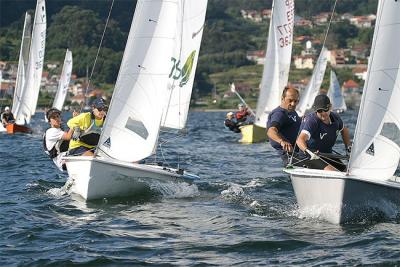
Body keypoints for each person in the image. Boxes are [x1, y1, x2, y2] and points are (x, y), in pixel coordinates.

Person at [296, 94, 351, 171]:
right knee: (333, 172)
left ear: (330, 107)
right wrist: (308, 151)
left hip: (326, 155)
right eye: (319, 111)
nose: (323, 113)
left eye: (325, 109)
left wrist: (348, 147)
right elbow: (300, 140)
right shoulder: (312, 121)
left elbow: (344, 130)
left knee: (347, 170)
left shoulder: (336, 118)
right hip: (310, 157)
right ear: (316, 110)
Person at [267, 87, 301, 165]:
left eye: (296, 101)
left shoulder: (291, 111)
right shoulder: (279, 114)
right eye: (290, 100)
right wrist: (282, 141)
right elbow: (271, 131)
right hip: (290, 155)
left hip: (300, 151)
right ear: (283, 98)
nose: (293, 104)